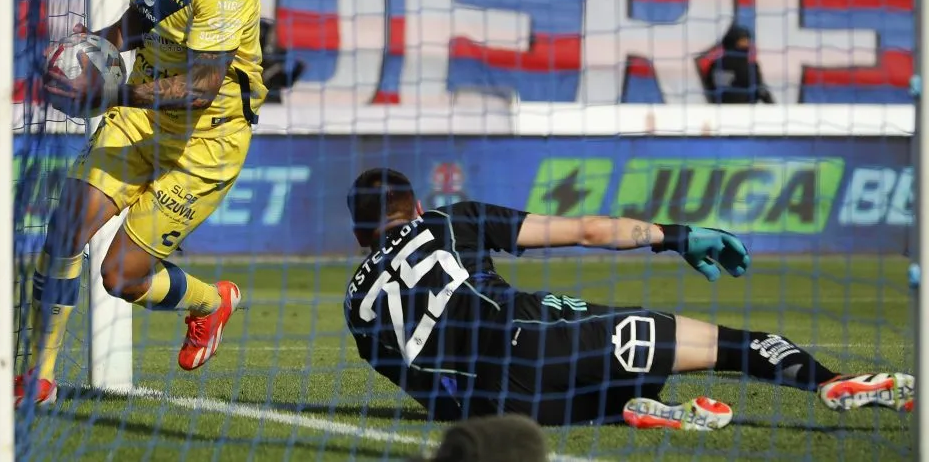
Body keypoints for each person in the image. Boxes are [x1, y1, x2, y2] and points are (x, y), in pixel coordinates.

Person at [343, 168, 915, 429]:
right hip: (532, 340)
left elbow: (418, 383)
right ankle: (830, 381)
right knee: (727, 344)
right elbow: (589, 230)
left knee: (593, 381)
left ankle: (629, 407)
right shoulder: (450, 220)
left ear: (359, 235)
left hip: (489, 413)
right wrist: (675, 236)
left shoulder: (355, 301)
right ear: (418, 208)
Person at [16, 0, 268, 406]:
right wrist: (80, 57)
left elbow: (200, 90)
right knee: (65, 227)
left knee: (120, 278)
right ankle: (37, 378)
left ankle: (211, 302)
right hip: (141, 119)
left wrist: (107, 91)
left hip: (207, 141)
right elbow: (137, 22)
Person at [702, 24, 774, 104]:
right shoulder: (747, 65)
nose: (748, 44)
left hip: (719, 107)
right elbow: (760, 89)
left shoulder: (716, 64)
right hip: (742, 108)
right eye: (744, 41)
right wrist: (774, 107)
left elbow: (710, 86)